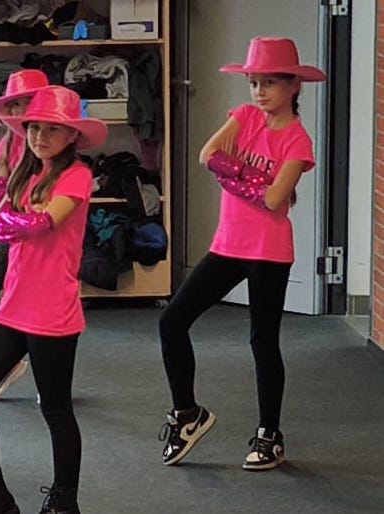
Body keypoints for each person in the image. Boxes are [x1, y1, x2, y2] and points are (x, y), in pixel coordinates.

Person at [157, 36, 323, 472]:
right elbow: (207, 155)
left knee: (262, 342)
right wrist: (254, 179)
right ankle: (187, 414)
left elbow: (275, 199)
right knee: (172, 321)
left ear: (294, 86)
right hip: (228, 245)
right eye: (253, 82)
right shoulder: (245, 117)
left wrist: (232, 173)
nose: (259, 91)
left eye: (270, 82)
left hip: (269, 251)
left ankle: (270, 435)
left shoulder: (297, 141)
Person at [0, 86, 106, 514]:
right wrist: (13, 220)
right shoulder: (26, 172)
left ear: (72, 135)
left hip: (53, 312)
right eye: (34, 128)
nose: (40, 136)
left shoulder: (76, 175)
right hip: (14, 306)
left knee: (56, 411)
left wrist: (14, 220)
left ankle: (64, 502)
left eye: (52, 129)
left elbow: (44, 222)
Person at [0, 69, 51, 402]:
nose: (20, 111)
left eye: (27, 103)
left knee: (40, 307)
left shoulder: (47, 144)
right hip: (15, 231)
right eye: (14, 105)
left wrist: (8, 207)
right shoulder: (10, 142)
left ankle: (45, 376)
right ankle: (8, 361)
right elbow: (1, 189)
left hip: (42, 234)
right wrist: (2, 191)